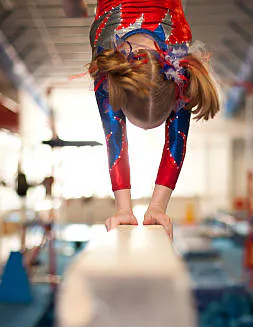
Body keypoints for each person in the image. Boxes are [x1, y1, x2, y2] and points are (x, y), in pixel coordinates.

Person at [64, 0, 220, 239]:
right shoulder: (172, 61)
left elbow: (120, 140)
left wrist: (150, 208)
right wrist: (126, 209)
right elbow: (118, 141)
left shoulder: (111, 59)